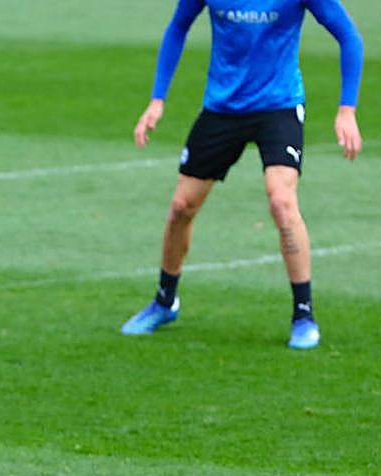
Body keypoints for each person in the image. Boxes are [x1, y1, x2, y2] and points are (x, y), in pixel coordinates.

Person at [121, 0, 363, 349]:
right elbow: (178, 27)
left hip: (278, 107)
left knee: (281, 201)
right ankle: (164, 301)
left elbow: (348, 36)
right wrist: (157, 99)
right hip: (222, 108)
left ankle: (303, 315)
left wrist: (346, 110)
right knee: (181, 207)